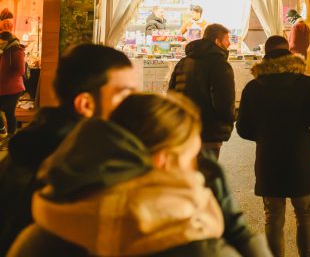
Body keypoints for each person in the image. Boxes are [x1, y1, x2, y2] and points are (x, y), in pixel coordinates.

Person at [9, 92, 259, 257]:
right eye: (191, 157)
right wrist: (237, 229)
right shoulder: (192, 243)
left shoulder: (42, 229)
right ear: (164, 161)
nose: (196, 169)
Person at [0, 44, 139, 254]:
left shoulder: (36, 143)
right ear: (85, 104)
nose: (134, 104)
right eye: (124, 95)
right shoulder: (80, 168)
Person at [237, 36, 310, 257]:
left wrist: (263, 135)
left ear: (265, 56)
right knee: (306, 215)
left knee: (273, 217)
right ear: (289, 54)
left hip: (268, 159)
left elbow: (242, 129)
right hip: (301, 159)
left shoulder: (253, 87)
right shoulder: (305, 84)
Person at [169, 23, 235, 159]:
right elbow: (224, 102)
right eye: (227, 39)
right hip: (209, 132)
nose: (229, 43)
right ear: (217, 41)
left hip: (185, 129)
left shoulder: (183, 62)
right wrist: (228, 121)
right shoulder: (221, 65)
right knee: (207, 174)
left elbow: (172, 94)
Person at [0, 18, 25, 136]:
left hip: (12, 88)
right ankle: (3, 133)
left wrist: (6, 73)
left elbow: (21, 70)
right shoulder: (3, 51)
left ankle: (11, 137)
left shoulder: (16, 50)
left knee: (10, 113)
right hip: (3, 86)